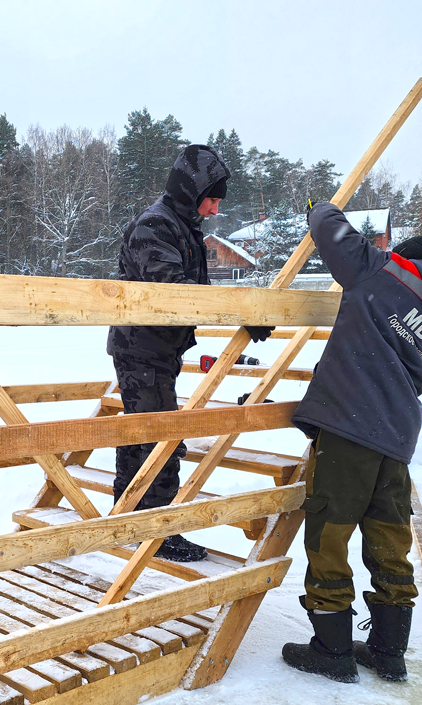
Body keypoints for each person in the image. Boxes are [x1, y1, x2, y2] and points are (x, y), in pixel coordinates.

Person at [281, 202, 422, 683]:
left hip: (349, 427)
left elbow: (330, 229)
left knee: (329, 532)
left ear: (409, 259)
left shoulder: (380, 273)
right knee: (389, 538)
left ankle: (332, 649)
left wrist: (318, 205)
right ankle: (389, 651)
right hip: (396, 434)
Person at [106, 144, 272, 563]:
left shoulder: (181, 224)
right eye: (212, 199)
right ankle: (156, 531)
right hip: (141, 348)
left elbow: (198, 291)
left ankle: (128, 517)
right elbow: (177, 293)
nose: (215, 210)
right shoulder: (155, 227)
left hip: (156, 347)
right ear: (191, 190)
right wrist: (240, 311)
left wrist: (243, 314)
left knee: (142, 431)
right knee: (161, 436)